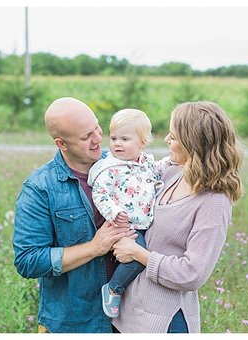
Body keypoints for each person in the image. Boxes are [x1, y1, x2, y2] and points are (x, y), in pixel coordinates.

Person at [111, 101, 243, 333]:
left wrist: (137, 253)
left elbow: (192, 273)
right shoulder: (172, 172)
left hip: (164, 322)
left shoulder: (214, 201)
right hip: (128, 314)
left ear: (193, 143)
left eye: (173, 136)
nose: (166, 141)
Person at [12, 97, 137, 333]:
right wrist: (94, 247)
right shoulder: (40, 188)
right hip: (74, 323)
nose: (98, 138)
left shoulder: (124, 165)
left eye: (97, 127)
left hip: (131, 320)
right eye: (85, 136)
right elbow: (28, 261)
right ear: (62, 144)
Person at [90, 109, 170, 318]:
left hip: (143, 224)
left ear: (142, 143)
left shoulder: (144, 162)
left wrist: (171, 162)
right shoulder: (109, 168)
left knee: (143, 257)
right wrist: (114, 212)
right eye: (114, 138)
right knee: (137, 258)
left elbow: (159, 168)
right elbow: (100, 194)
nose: (117, 143)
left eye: (125, 139)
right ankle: (113, 289)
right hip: (123, 226)